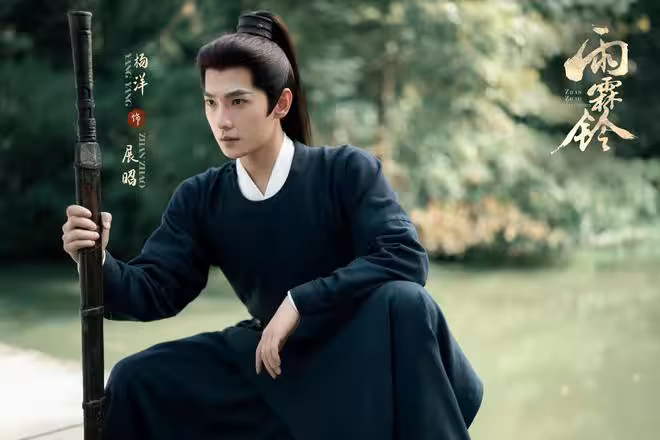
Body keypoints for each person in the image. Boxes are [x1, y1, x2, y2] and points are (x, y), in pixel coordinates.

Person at [61, 10, 483, 440]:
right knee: (135, 379)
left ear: (280, 103)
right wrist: (95, 259)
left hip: (354, 352)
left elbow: (405, 257)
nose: (222, 120)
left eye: (238, 101)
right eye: (211, 102)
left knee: (407, 301)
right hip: (272, 360)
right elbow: (154, 290)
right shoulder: (201, 197)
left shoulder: (345, 170)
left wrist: (299, 302)